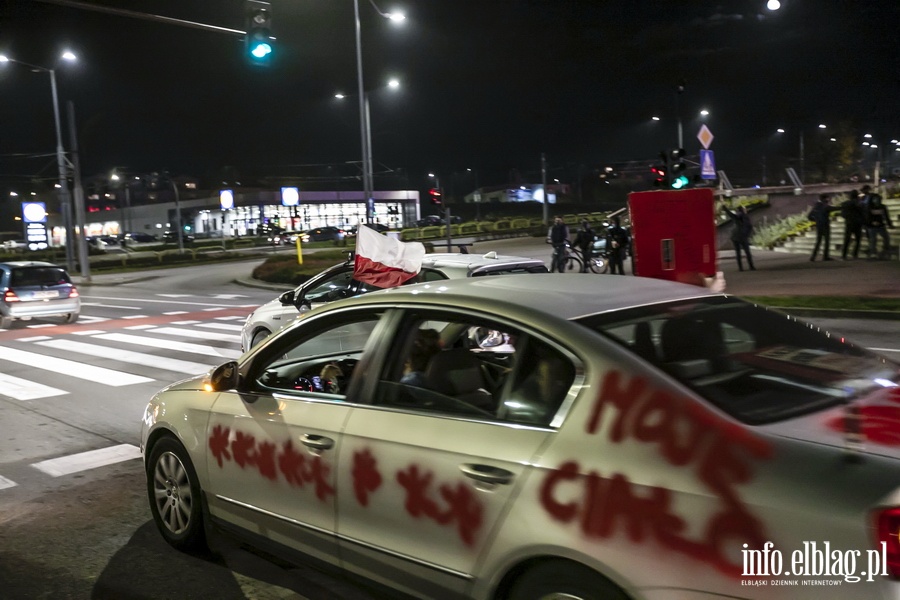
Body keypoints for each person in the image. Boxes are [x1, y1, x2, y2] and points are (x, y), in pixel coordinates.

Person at [721, 203, 755, 271]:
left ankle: (740, 268)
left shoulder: (737, 217)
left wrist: (724, 207)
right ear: (743, 210)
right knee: (747, 252)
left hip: (735, 236)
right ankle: (751, 266)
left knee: (738, 252)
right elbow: (749, 226)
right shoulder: (745, 217)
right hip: (742, 236)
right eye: (744, 209)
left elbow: (730, 214)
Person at [808, 194, 840, 261]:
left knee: (818, 241)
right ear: (825, 199)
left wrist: (816, 220)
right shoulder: (825, 206)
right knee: (827, 241)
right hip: (825, 225)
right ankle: (825, 256)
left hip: (819, 225)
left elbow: (809, 216)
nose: (828, 200)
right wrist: (843, 207)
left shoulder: (816, 206)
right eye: (827, 199)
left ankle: (813, 257)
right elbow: (834, 208)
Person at [863, 192, 894, 260]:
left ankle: (885, 250)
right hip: (871, 226)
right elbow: (867, 217)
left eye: (878, 199)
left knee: (886, 238)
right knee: (873, 240)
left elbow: (886, 216)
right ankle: (873, 253)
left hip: (881, 226)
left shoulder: (883, 207)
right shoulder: (869, 207)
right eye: (875, 199)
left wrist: (889, 224)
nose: (877, 201)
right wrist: (871, 222)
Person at [840, 189, 865, 260]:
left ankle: (844, 255)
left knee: (847, 239)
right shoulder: (859, 203)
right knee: (858, 239)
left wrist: (848, 217)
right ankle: (855, 254)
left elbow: (843, 214)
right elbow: (863, 213)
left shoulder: (845, 203)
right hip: (857, 223)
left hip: (849, 222)